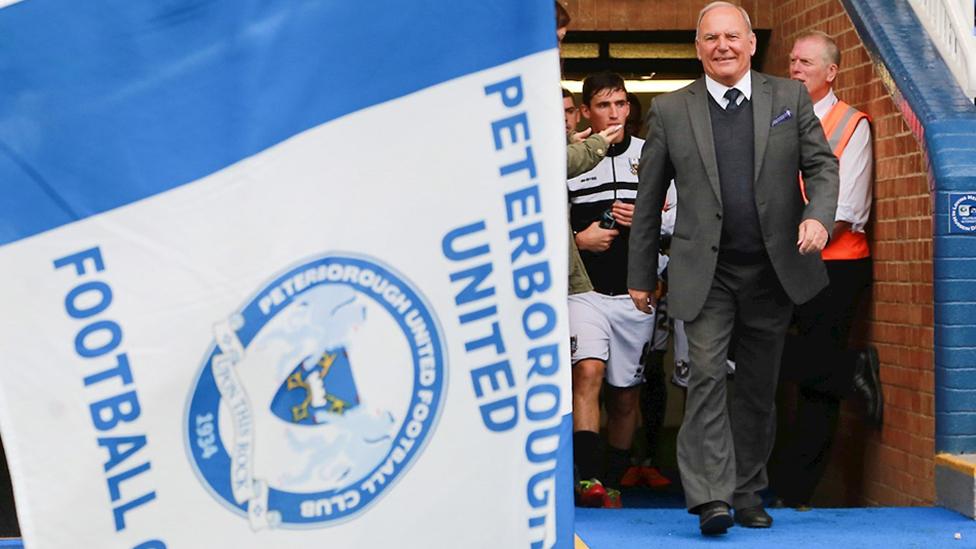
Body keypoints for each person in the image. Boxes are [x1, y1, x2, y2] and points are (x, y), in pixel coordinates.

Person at [627, 1, 839, 536]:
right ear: (698, 48)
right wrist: (639, 274)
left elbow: (821, 165)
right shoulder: (672, 111)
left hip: (772, 270)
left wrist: (817, 218)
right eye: (711, 38)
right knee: (704, 379)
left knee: (756, 389)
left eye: (731, 36)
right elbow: (649, 199)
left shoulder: (788, 97)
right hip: (706, 273)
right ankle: (710, 497)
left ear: (749, 43)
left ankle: (746, 491)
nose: (722, 45)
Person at [769, 30, 883, 509]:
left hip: (834, 267)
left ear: (831, 72)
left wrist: (799, 252)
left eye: (805, 63)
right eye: (792, 61)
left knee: (812, 391)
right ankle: (849, 368)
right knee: (765, 362)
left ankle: (796, 491)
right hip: (782, 263)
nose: (794, 68)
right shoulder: (777, 119)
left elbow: (848, 209)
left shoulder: (851, 124)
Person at [568, 72, 651, 508]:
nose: (615, 113)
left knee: (625, 395)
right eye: (604, 105)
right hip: (584, 293)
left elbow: (684, 216)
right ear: (586, 112)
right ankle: (589, 480)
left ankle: (614, 482)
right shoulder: (570, 157)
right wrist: (577, 240)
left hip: (636, 295)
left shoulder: (651, 154)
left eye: (621, 104)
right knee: (588, 372)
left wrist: (647, 222)